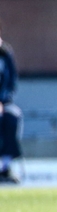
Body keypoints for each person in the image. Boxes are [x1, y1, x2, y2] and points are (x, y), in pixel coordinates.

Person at [0, 18, 23, 185]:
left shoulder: (5, 53)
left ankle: (5, 166)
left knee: (12, 117)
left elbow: (11, 83)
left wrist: (2, 101)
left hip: (3, 103)